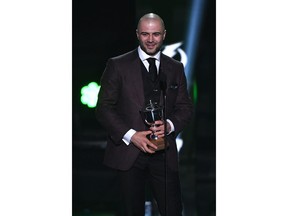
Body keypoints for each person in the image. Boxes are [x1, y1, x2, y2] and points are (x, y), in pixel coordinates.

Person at [95, 13, 193, 216]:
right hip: (129, 153)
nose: (150, 39)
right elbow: (104, 108)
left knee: (173, 211)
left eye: (155, 34)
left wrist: (169, 125)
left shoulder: (175, 68)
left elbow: (185, 108)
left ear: (164, 35)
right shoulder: (118, 65)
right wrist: (131, 135)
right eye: (145, 34)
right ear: (137, 34)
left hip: (164, 154)